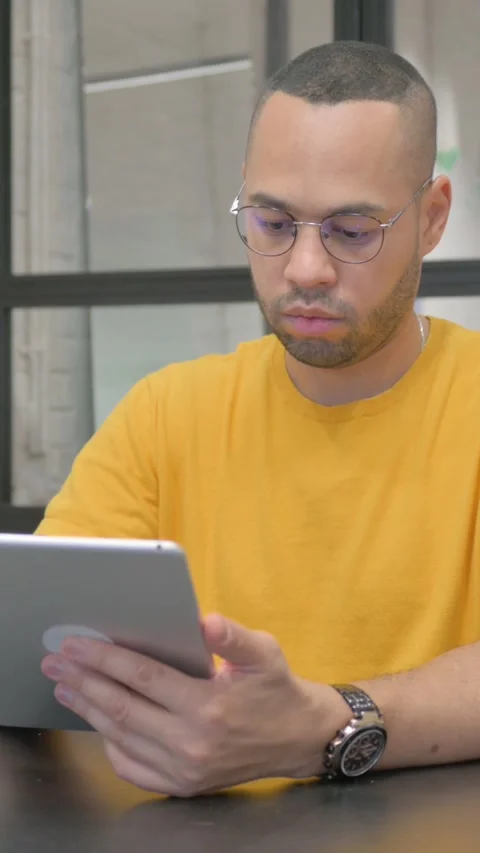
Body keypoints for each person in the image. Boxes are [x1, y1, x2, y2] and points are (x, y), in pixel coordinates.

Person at [38, 39, 480, 797]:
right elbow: (38, 642)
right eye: (274, 223)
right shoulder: (166, 414)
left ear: (432, 217)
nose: (306, 269)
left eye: (352, 230)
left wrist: (325, 725)